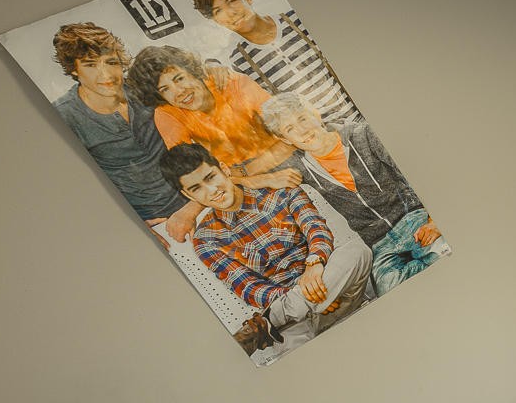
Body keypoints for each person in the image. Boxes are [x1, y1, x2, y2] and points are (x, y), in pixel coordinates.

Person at [158, 142, 372, 355]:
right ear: (189, 196)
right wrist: (313, 298)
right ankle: (290, 313)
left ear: (224, 169)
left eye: (210, 177)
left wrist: (314, 264)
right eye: (196, 189)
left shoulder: (281, 191)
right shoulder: (206, 239)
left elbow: (316, 230)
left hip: (326, 286)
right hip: (295, 319)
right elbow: (249, 288)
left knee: (358, 252)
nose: (212, 190)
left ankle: (270, 320)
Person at [258, 92, 445, 295]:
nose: (302, 131)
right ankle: (428, 261)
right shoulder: (299, 166)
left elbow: (422, 172)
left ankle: (432, 258)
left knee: (443, 251)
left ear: (314, 113)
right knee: (389, 287)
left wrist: (434, 221)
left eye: (302, 118)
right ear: (284, 139)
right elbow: (240, 177)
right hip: (380, 245)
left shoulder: (363, 135)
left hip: (415, 221)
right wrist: (262, 179)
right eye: (290, 129)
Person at [47, 22, 200, 242]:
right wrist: (132, 230)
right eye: (90, 65)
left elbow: (199, 96)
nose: (105, 74)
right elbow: (73, 191)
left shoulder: (144, 87)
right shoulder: (63, 117)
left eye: (111, 62)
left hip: (200, 200)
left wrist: (194, 207)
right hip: (151, 225)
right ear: (74, 69)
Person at [187, 0, 360, 125]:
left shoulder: (296, 19)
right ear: (216, 21)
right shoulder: (239, 59)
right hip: (331, 135)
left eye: (232, 1)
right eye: (218, 11)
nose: (230, 13)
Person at [125, 44, 300, 191]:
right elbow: (191, 173)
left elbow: (294, 135)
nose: (179, 92)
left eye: (179, 79)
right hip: (233, 183)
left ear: (192, 71)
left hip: (287, 160)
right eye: (165, 89)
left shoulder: (233, 83)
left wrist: (246, 172)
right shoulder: (167, 113)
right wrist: (248, 180)